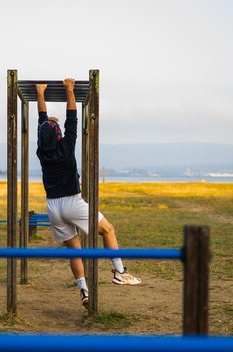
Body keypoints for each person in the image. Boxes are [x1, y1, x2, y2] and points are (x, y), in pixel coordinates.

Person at [36, 78, 141, 309]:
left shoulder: (41, 151)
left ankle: (83, 289)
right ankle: (120, 271)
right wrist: (70, 90)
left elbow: (42, 122)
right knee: (108, 229)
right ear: (59, 136)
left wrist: (40, 95)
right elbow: (71, 117)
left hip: (53, 207)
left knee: (75, 250)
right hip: (72, 202)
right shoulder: (66, 146)